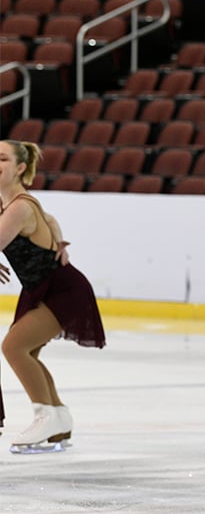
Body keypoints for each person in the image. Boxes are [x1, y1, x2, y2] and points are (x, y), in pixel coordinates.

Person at [0, 140, 105, 454]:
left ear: (20, 168)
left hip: (61, 289)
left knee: (14, 347)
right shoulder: (11, 204)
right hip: (41, 289)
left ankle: (44, 414)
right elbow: (51, 220)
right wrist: (57, 238)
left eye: (2, 159)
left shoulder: (19, 206)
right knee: (26, 351)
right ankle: (58, 414)